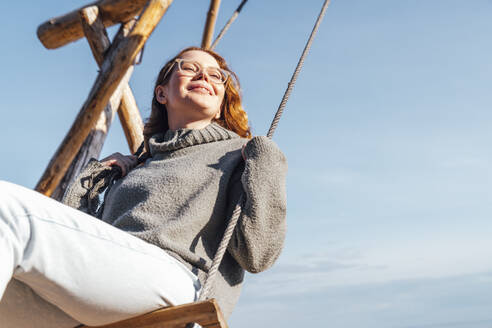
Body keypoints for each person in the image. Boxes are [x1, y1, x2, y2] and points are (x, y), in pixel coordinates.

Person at [0, 46, 287, 327]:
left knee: (7, 207)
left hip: (180, 283)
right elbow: (69, 244)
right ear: (161, 93)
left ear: (222, 97)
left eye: (216, 76)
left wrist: (266, 162)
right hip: (112, 286)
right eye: (189, 68)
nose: (204, 77)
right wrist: (95, 180)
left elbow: (258, 255)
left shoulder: (239, 155)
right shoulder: (137, 166)